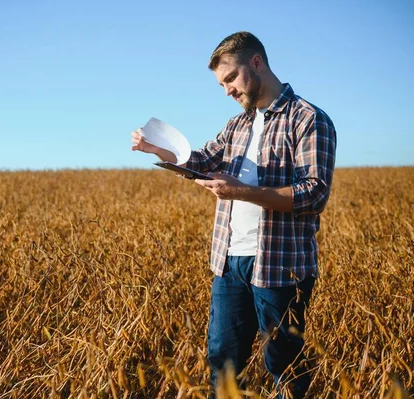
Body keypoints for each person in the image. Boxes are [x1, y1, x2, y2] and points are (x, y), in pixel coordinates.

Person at [130, 31, 337, 398]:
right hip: (229, 262)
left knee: (283, 364)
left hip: (280, 265)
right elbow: (202, 161)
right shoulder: (237, 125)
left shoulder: (308, 119)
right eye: (221, 83)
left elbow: (314, 193)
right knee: (222, 361)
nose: (227, 90)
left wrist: (241, 192)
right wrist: (158, 149)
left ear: (256, 63)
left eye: (230, 78)